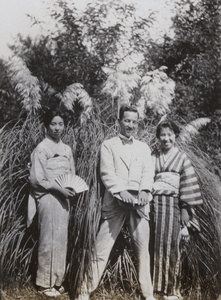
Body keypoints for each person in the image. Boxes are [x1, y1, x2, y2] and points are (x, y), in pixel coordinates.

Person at [77, 104, 156, 300]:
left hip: (139, 204)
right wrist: (122, 192)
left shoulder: (143, 148)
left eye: (134, 122)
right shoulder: (108, 145)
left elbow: (148, 172)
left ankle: (148, 294)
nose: (130, 125)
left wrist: (145, 190)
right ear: (118, 122)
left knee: (142, 250)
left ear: (138, 125)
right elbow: (107, 173)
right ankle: (84, 292)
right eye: (126, 121)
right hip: (115, 203)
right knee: (101, 248)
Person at [151, 119, 203, 300]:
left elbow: (187, 184)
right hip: (155, 204)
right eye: (162, 135)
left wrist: (185, 211)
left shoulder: (181, 157)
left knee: (173, 246)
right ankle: (156, 289)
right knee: (156, 245)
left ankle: (172, 290)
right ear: (158, 137)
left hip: (174, 205)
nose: (166, 139)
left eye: (169, 135)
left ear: (175, 136)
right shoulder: (153, 157)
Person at [28, 108, 76, 297]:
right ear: (46, 126)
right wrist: (59, 188)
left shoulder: (66, 149)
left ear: (64, 126)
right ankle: (43, 283)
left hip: (64, 197)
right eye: (53, 124)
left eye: (60, 124)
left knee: (61, 238)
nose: (57, 128)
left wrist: (70, 188)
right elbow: (38, 179)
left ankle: (57, 281)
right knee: (49, 237)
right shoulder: (42, 148)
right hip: (48, 195)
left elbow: (71, 173)